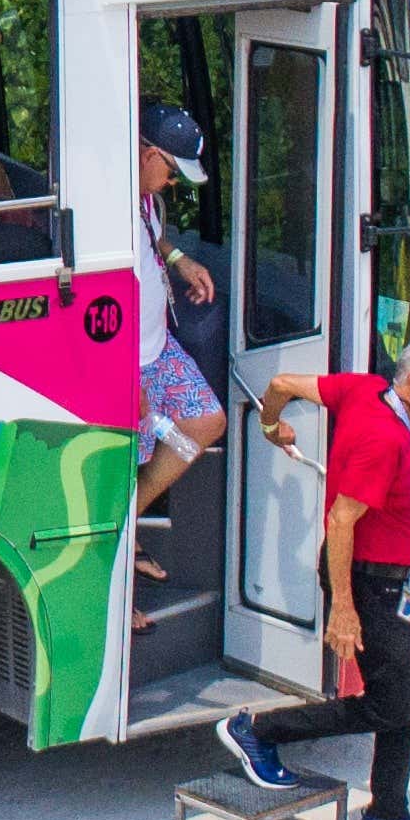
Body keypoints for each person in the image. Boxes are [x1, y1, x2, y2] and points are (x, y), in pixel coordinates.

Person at [220, 334, 410, 820]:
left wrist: (270, 426)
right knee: (392, 705)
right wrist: (344, 608)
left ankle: (386, 815)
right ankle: (258, 730)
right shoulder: (385, 439)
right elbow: (342, 520)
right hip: (368, 581)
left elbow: (279, 384)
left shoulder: (365, 390)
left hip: (381, 578)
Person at [132, 105, 232, 566]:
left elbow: (158, 239)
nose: (173, 183)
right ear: (150, 154)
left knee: (206, 421)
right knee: (116, 467)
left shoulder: (147, 199)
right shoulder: (106, 209)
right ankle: (118, 587)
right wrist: (127, 384)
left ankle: (130, 518)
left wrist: (178, 261)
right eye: (172, 172)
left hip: (157, 347)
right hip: (126, 360)